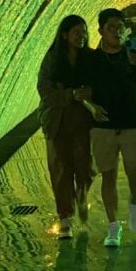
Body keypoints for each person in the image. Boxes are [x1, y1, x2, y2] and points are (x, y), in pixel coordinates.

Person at [87, 7, 136, 247]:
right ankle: (113, 228)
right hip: (104, 127)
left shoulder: (135, 51)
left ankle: (134, 204)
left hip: (132, 124)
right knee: (108, 176)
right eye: (111, 27)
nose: (116, 31)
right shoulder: (93, 59)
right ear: (100, 30)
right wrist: (91, 107)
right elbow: (82, 90)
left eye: (120, 27)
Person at [37, 15, 94, 240]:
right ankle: (65, 219)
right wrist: (69, 94)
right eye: (77, 32)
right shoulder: (52, 59)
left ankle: (81, 194)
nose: (82, 36)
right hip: (57, 122)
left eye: (84, 32)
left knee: (86, 166)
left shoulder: (89, 58)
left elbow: (99, 83)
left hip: (84, 121)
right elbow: (44, 89)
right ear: (65, 35)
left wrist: (89, 92)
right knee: (60, 169)